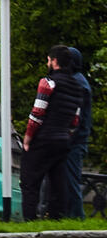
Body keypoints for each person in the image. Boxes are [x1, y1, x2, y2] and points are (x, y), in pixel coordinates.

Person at [21, 46, 89, 221]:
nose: (47, 62)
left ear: (55, 61)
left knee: (30, 182)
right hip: (63, 140)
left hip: (44, 138)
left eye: (49, 59)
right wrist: (66, 134)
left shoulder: (48, 82)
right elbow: (75, 119)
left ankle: (29, 219)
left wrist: (28, 139)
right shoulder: (77, 86)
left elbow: (37, 114)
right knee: (58, 183)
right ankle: (57, 218)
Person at [63, 46, 95, 218]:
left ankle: (76, 215)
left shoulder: (77, 83)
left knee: (71, 180)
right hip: (76, 139)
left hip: (74, 141)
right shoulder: (78, 80)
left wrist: (67, 138)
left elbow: (76, 117)